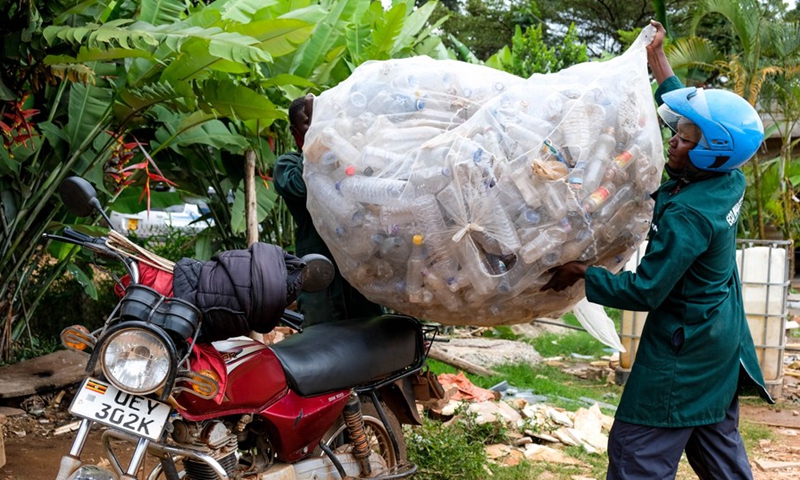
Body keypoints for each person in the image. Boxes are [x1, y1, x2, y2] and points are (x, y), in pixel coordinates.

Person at [543, 20, 772, 480]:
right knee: (715, 445)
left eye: (685, 140)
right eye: (679, 132)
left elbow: (647, 290)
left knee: (636, 452)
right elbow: (702, 119)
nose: (674, 140)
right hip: (719, 340)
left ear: (712, 152)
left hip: (682, 351)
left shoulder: (689, 215)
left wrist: (583, 273)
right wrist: (658, 61)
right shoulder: (728, 178)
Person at [273, 94, 384, 326]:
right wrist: (318, 149)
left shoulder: (346, 158)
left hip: (358, 269)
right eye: (309, 122)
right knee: (322, 339)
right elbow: (300, 187)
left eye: (322, 119)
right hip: (319, 274)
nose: (317, 127)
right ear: (295, 132)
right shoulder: (289, 164)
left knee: (370, 335)